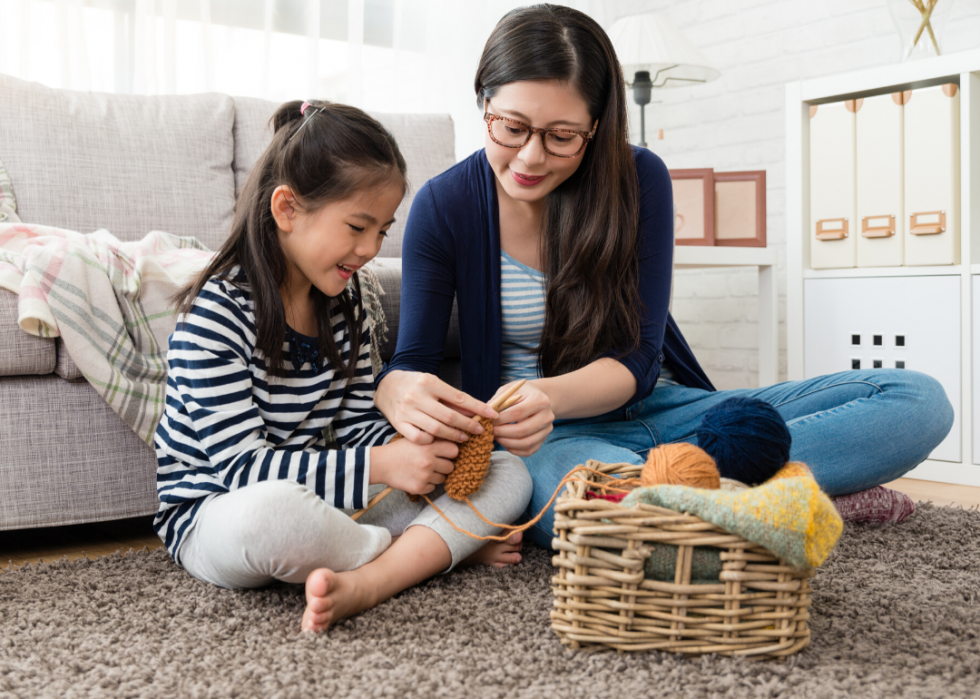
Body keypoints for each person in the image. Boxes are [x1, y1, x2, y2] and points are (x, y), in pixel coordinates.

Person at [373, 4, 954, 549]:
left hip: (669, 411)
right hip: (548, 446)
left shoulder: (638, 178)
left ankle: (709, 495)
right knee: (555, 491)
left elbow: (639, 358)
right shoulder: (443, 205)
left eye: (561, 136)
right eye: (511, 128)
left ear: (596, 126)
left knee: (917, 401)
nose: (530, 157)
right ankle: (777, 492)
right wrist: (395, 387)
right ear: (484, 104)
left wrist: (548, 394)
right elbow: (413, 363)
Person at [153, 99, 532, 633]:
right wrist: (383, 466)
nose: (370, 249)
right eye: (358, 226)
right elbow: (241, 472)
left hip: (332, 501)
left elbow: (355, 426)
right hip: (218, 514)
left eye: (382, 230)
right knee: (273, 516)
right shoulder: (214, 316)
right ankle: (415, 551)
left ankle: (380, 566)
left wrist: (420, 449)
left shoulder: (348, 304)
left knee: (508, 470)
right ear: (286, 209)